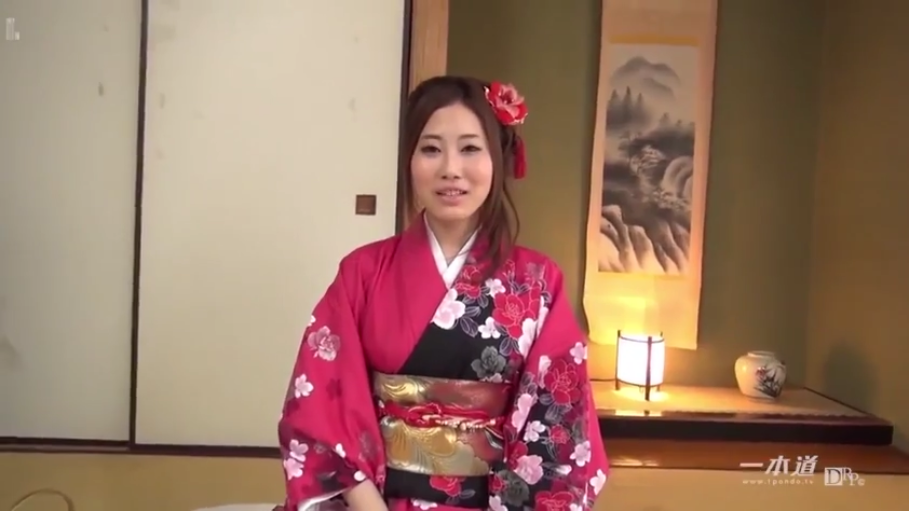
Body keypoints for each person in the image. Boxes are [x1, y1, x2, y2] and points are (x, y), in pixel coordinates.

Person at [277, 76, 609, 511]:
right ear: (410, 161)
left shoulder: (538, 280)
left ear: (498, 159)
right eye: (431, 149)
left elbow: (559, 423)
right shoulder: (362, 272)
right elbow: (321, 407)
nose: (451, 168)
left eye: (470, 148)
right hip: (375, 502)